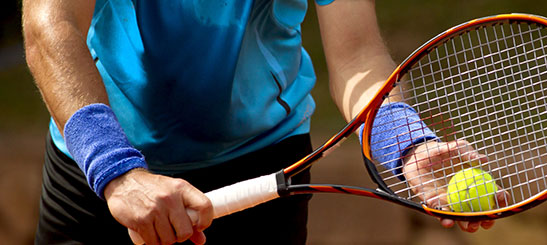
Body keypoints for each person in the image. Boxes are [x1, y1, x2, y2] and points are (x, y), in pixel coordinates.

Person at [22, 0, 497, 244]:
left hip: (263, 166)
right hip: (94, 167)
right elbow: (50, 23)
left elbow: (357, 56)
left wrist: (404, 142)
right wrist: (117, 172)